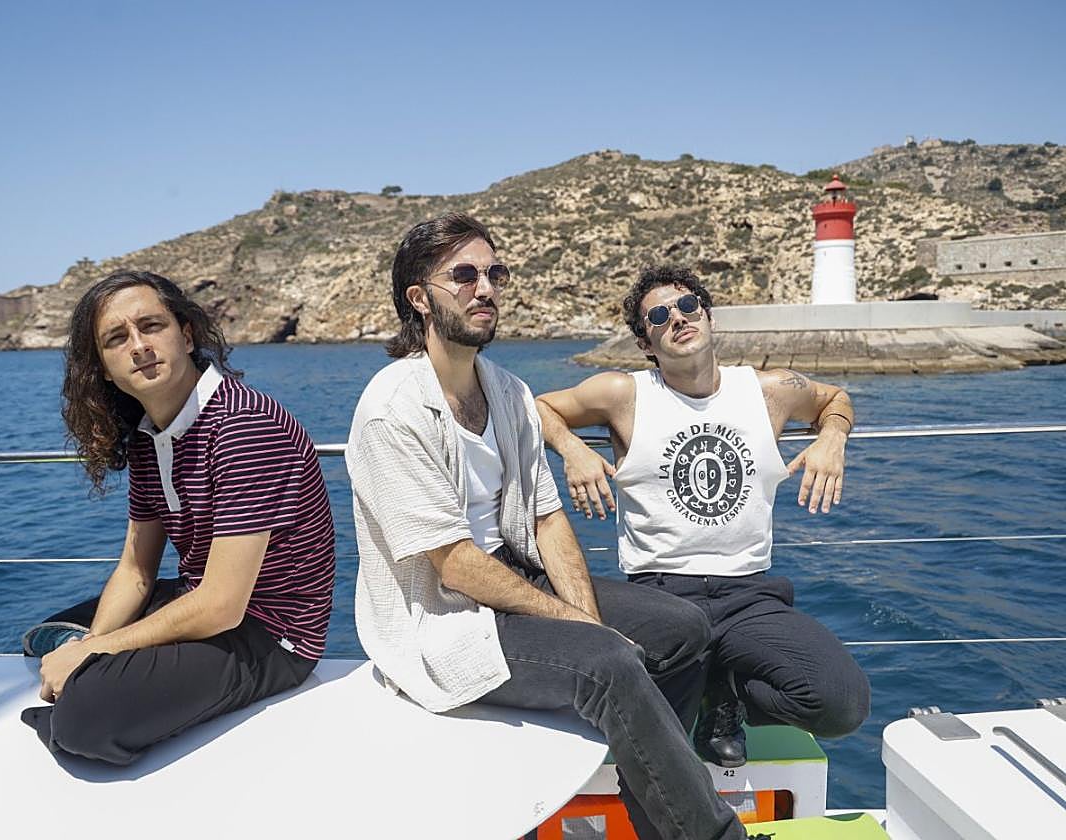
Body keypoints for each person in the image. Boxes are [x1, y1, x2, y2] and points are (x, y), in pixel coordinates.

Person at [346, 215, 745, 840]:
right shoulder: (392, 410)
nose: (485, 288)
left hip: (515, 575)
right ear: (419, 299)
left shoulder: (507, 391)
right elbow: (451, 563)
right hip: (445, 615)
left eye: (494, 273)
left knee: (684, 629)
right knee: (609, 662)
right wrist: (583, 629)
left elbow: (546, 516)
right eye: (464, 275)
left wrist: (583, 612)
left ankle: (657, 814)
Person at [535, 265, 870, 768]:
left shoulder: (768, 390)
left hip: (748, 596)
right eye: (659, 316)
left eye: (688, 305)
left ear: (709, 317)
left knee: (840, 704)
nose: (678, 318)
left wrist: (832, 437)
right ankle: (702, 691)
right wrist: (571, 449)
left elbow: (834, 399)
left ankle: (726, 690)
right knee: (651, 748)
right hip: (660, 597)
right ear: (646, 343)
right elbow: (536, 406)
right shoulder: (624, 394)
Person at [20, 270, 335, 765]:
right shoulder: (151, 436)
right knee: (58, 636)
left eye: (151, 326)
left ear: (186, 335)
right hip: (204, 599)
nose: (139, 346)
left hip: (271, 635)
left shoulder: (243, 427)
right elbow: (136, 569)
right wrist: (96, 644)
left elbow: (223, 607)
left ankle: (66, 708)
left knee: (87, 719)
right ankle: (80, 662)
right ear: (103, 367)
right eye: (117, 338)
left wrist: (90, 656)